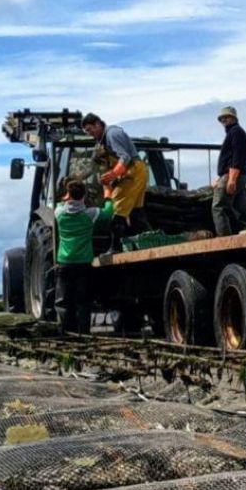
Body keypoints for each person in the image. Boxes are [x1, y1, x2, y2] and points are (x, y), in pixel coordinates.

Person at [54, 180, 113, 334]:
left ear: (68, 195)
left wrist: (67, 197)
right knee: (83, 302)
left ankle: (65, 333)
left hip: (64, 264)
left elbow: (61, 203)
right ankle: (83, 334)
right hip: (83, 265)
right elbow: (108, 212)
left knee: (63, 302)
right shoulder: (90, 214)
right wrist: (107, 193)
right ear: (84, 195)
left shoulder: (59, 213)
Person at [82, 112, 148, 248]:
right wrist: (82, 177)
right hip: (134, 172)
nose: (89, 133)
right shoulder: (102, 142)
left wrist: (113, 174)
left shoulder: (112, 134)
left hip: (133, 171)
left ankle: (115, 248)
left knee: (117, 209)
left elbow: (125, 157)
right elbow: (96, 164)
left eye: (90, 129)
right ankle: (143, 244)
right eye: (86, 131)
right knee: (136, 212)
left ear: (98, 124)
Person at [212, 106, 246, 236]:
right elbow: (230, 158)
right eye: (222, 119)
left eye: (226, 117)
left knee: (218, 207)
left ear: (233, 118)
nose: (224, 120)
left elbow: (237, 158)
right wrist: (220, 178)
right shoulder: (234, 133)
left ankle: (224, 239)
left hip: (233, 175)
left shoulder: (236, 132)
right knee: (241, 208)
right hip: (234, 175)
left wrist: (231, 179)